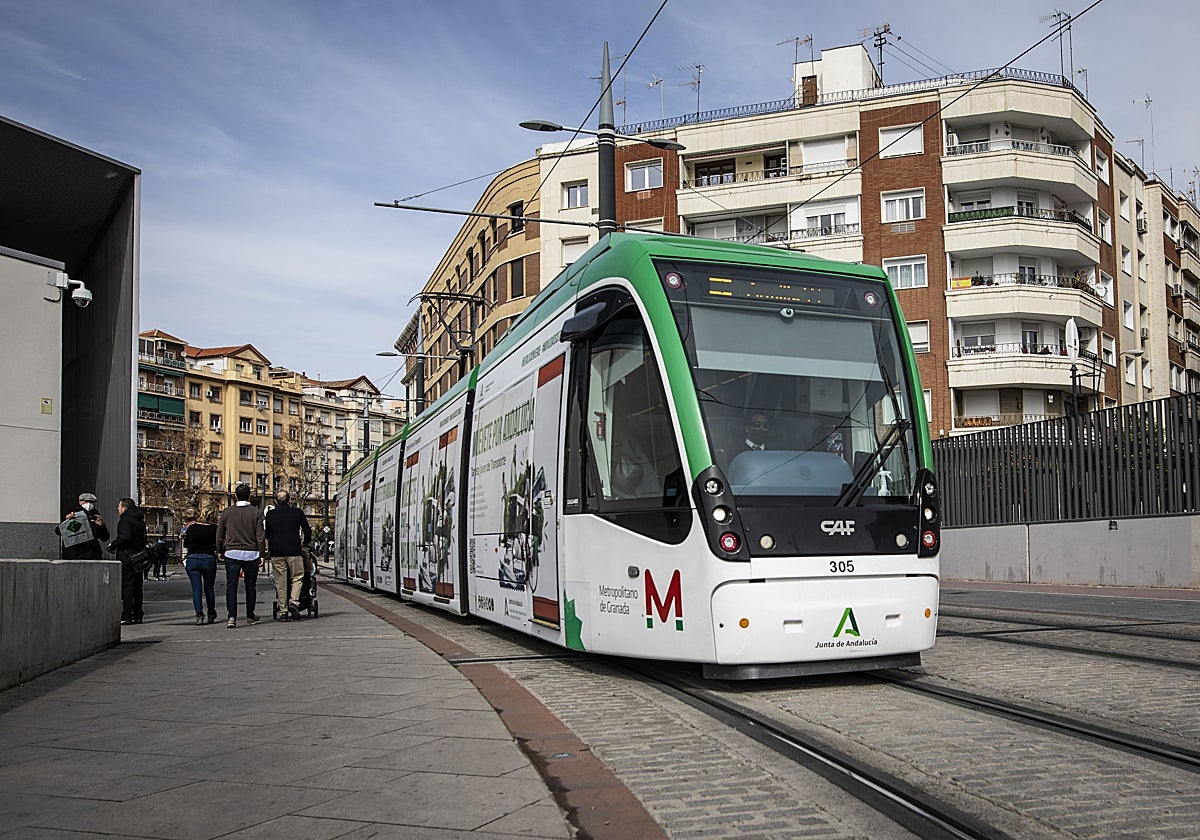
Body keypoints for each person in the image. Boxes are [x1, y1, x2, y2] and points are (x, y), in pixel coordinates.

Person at [216, 483, 266, 628]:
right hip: (252, 553)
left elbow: (220, 534)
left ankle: (231, 617)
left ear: (235, 496)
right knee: (250, 586)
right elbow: (260, 536)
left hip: (232, 552)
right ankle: (250, 615)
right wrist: (262, 553)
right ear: (249, 496)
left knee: (231, 586)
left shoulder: (226, 512)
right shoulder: (256, 513)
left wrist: (219, 550)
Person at [265, 490, 312, 621]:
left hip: (276, 552)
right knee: (297, 577)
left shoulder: (270, 514)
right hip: (293, 550)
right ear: (289, 500)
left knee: (281, 581)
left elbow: (267, 533)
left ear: (275, 501)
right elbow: (307, 530)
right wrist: (305, 543)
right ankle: (294, 603)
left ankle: (283, 611)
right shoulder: (297, 512)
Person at [108, 498, 147, 625]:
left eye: (119, 506)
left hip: (127, 558)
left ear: (125, 508)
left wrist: (112, 545)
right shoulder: (140, 521)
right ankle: (138, 614)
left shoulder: (125, 520)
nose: (118, 509)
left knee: (127, 586)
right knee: (137, 586)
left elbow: (124, 537)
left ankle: (127, 614)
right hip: (139, 557)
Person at [181, 508, 218, 625]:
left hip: (193, 559)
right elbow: (217, 545)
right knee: (209, 588)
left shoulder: (192, 528)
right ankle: (211, 613)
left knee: (196, 588)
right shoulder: (214, 529)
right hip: (208, 558)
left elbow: (186, 543)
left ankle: (199, 614)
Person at [55, 492, 110, 560]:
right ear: (80, 502)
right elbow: (58, 531)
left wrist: (102, 526)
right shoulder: (74, 514)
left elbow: (105, 537)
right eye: (86, 501)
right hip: (76, 554)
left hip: (93, 554)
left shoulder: (95, 516)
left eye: (91, 502)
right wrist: (67, 521)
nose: (89, 504)